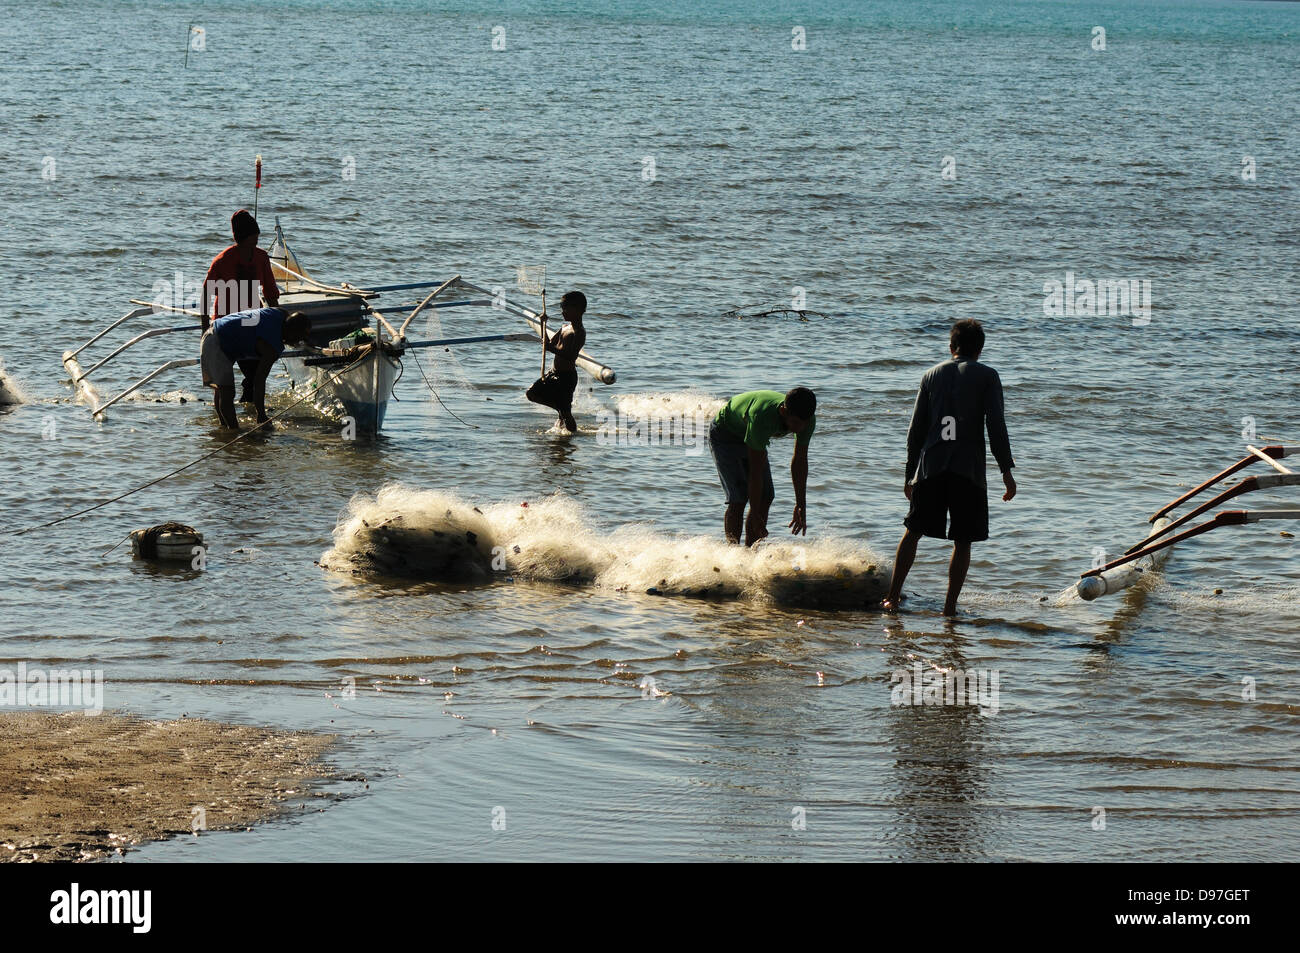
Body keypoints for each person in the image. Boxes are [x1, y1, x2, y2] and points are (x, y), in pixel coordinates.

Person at [883, 319, 1016, 616]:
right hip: (967, 471)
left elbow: (915, 431)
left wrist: (909, 474)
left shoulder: (931, 375)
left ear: (951, 346)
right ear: (980, 350)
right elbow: (996, 426)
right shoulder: (988, 376)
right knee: (963, 540)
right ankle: (949, 608)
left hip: (931, 467)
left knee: (912, 531)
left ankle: (891, 596)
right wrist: (1006, 470)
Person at [709, 387, 816, 546]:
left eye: (803, 424)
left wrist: (801, 505)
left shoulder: (807, 420)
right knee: (739, 498)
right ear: (783, 412)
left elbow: (800, 461)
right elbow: (755, 472)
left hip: (750, 433)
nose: (799, 429)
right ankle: (732, 554)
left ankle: (751, 554)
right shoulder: (762, 418)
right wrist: (756, 514)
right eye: (795, 423)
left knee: (766, 496)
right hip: (726, 434)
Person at [200, 210, 282, 399]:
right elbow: (206, 295)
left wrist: (278, 323)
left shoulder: (261, 258)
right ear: (240, 239)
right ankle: (222, 420)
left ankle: (252, 409)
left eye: (257, 239)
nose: (255, 244)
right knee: (222, 385)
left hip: (251, 324)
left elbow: (270, 293)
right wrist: (205, 331)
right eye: (251, 240)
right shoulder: (222, 261)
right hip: (225, 325)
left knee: (255, 375)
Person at [200, 307, 311, 429]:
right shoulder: (272, 347)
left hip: (214, 331)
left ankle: (224, 431)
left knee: (222, 390)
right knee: (227, 392)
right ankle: (234, 433)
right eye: (298, 338)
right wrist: (261, 415)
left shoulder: (280, 313)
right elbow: (259, 380)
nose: (298, 343)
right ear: (292, 332)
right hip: (216, 343)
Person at [525, 291, 587, 432]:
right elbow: (548, 344)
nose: (562, 311)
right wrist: (543, 324)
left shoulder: (579, 332)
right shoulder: (565, 327)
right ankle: (561, 410)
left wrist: (551, 349)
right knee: (531, 394)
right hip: (554, 373)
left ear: (579, 310)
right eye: (561, 307)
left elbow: (571, 356)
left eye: (566, 308)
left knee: (566, 414)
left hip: (567, 377)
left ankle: (572, 435)